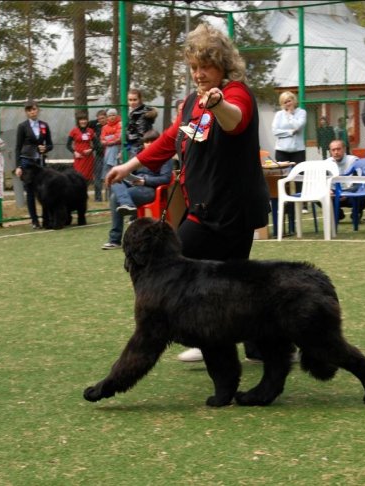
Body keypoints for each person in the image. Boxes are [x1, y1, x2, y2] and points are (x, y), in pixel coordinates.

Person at [105, 23, 270, 363]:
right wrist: (130, 165)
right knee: (233, 279)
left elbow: (234, 120)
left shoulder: (235, 93)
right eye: (193, 67)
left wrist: (219, 103)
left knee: (185, 265)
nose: (198, 74)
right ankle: (256, 343)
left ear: (222, 65)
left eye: (204, 66)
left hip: (233, 209)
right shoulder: (192, 101)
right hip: (204, 207)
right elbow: (169, 139)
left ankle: (213, 335)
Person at [102, 130, 174, 249]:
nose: (149, 144)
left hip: (150, 190)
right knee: (116, 179)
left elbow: (165, 179)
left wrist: (144, 180)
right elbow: (129, 172)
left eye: (153, 141)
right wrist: (129, 177)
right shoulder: (140, 156)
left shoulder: (165, 158)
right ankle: (127, 203)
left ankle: (114, 239)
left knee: (115, 198)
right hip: (134, 185)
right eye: (147, 142)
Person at [14, 101, 53, 229]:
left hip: (40, 162)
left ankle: (46, 218)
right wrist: (18, 166)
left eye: (34, 109)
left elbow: (50, 144)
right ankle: (34, 220)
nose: (32, 112)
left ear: (38, 110)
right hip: (27, 162)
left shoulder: (44, 125)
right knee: (30, 191)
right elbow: (18, 147)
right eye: (29, 110)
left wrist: (45, 148)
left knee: (44, 191)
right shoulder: (22, 126)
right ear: (26, 112)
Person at [272, 90, 307, 213]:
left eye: (289, 100)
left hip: (298, 150)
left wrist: (291, 115)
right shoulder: (278, 115)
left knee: (299, 176)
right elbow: (275, 131)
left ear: (294, 101)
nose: (288, 103)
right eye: (285, 102)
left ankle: (303, 204)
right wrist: (289, 132)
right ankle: (286, 203)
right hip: (282, 150)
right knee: (283, 177)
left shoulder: (301, 112)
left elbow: (298, 126)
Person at [325, 139, 359, 221]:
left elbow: (360, 181)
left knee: (364, 192)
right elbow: (321, 181)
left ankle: (356, 212)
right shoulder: (326, 163)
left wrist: (348, 192)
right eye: (333, 150)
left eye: (338, 149)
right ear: (330, 151)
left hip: (351, 194)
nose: (336, 152)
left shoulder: (354, 160)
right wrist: (327, 190)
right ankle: (337, 213)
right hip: (334, 194)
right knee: (319, 194)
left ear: (344, 149)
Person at [126, 88, 158, 159]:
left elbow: (142, 133)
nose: (132, 102)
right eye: (130, 100)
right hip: (134, 145)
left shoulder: (141, 114)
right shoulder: (133, 112)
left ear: (140, 99)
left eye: (135, 100)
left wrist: (139, 149)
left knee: (135, 168)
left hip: (138, 147)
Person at [66, 113, 96, 182]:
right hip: (79, 158)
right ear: (78, 121)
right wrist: (74, 152)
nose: (83, 121)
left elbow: (97, 144)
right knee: (78, 178)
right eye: (81, 120)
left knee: (88, 178)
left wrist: (91, 150)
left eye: (85, 119)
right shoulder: (74, 131)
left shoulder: (90, 131)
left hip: (89, 158)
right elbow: (68, 145)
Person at [89, 109, 107, 201]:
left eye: (103, 118)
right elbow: (85, 124)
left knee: (110, 175)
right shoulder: (96, 126)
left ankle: (110, 196)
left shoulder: (111, 125)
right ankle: (98, 197)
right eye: (99, 119)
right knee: (97, 176)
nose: (101, 120)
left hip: (109, 154)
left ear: (107, 117)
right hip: (99, 155)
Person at [100, 108, 122, 181]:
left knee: (113, 147)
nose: (112, 117)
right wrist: (113, 138)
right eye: (110, 115)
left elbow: (119, 138)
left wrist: (108, 139)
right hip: (108, 151)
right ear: (107, 117)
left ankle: (111, 166)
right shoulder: (104, 127)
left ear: (116, 116)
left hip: (118, 149)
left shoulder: (120, 124)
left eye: (113, 115)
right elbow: (102, 140)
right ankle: (111, 165)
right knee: (111, 148)